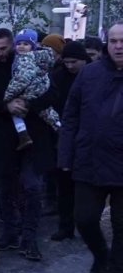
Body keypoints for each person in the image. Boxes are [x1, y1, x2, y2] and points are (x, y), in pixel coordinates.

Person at [0, 27, 60, 262]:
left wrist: (27, 103)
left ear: (14, 44)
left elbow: (52, 94)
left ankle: (30, 237)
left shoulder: (33, 63)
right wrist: (6, 107)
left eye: (4, 48)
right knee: (5, 188)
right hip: (5, 137)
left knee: (32, 187)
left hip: (35, 135)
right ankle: (10, 232)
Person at [58, 22, 123, 273]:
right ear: (106, 43)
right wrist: (65, 155)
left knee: (122, 228)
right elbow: (71, 116)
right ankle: (101, 256)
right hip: (90, 160)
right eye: (113, 40)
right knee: (83, 219)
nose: (119, 46)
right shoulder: (89, 74)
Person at [48, 41, 89, 242]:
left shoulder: (92, 76)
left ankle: (86, 226)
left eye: (74, 62)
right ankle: (66, 226)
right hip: (63, 135)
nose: (70, 66)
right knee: (64, 186)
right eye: (67, 62)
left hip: (88, 139)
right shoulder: (58, 77)